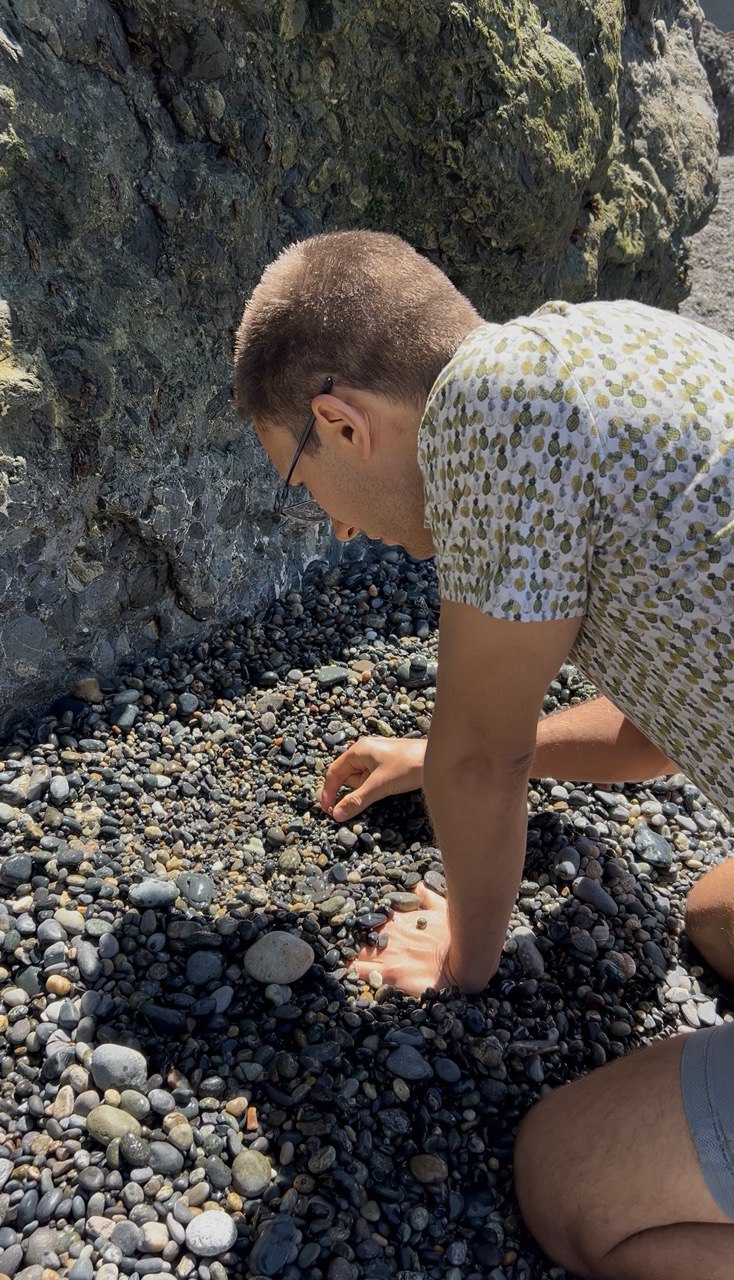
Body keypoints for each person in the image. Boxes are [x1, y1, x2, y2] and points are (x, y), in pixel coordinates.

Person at [233, 229, 734, 1275]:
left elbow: (481, 758)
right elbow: (650, 731)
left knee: (568, 1180)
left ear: (338, 422)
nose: (333, 531)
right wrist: (436, 751)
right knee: (714, 913)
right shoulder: (611, 345)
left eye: (297, 477)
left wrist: (463, 954)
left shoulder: (487, 411)